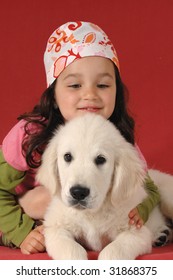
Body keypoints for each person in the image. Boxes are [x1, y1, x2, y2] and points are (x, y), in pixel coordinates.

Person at [0, 21, 160, 255]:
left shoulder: (115, 137)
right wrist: (21, 232)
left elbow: (149, 188)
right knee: (42, 198)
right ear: (53, 94)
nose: (90, 95)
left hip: (84, 220)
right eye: (75, 85)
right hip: (24, 218)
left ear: (117, 92)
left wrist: (141, 211)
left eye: (103, 85)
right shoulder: (29, 134)